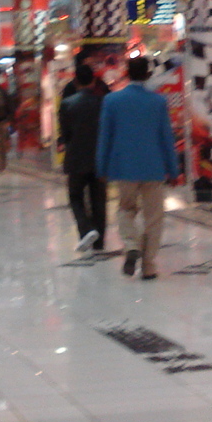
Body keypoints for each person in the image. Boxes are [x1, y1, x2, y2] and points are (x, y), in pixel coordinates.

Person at [96, 56, 181, 280]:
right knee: (154, 217)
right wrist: (173, 170)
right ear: (148, 74)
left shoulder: (112, 101)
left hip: (124, 167)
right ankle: (149, 265)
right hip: (153, 167)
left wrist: (101, 167)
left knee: (125, 209)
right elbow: (166, 138)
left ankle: (131, 244)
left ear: (127, 74)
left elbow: (105, 137)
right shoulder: (158, 102)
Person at [59, 62, 106, 252]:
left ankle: (86, 228)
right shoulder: (102, 102)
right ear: (94, 81)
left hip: (76, 157)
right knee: (98, 199)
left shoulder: (67, 104)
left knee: (75, 196)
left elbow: (65, 134)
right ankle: (99, 241)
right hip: (98, 157)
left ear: (76, 81)